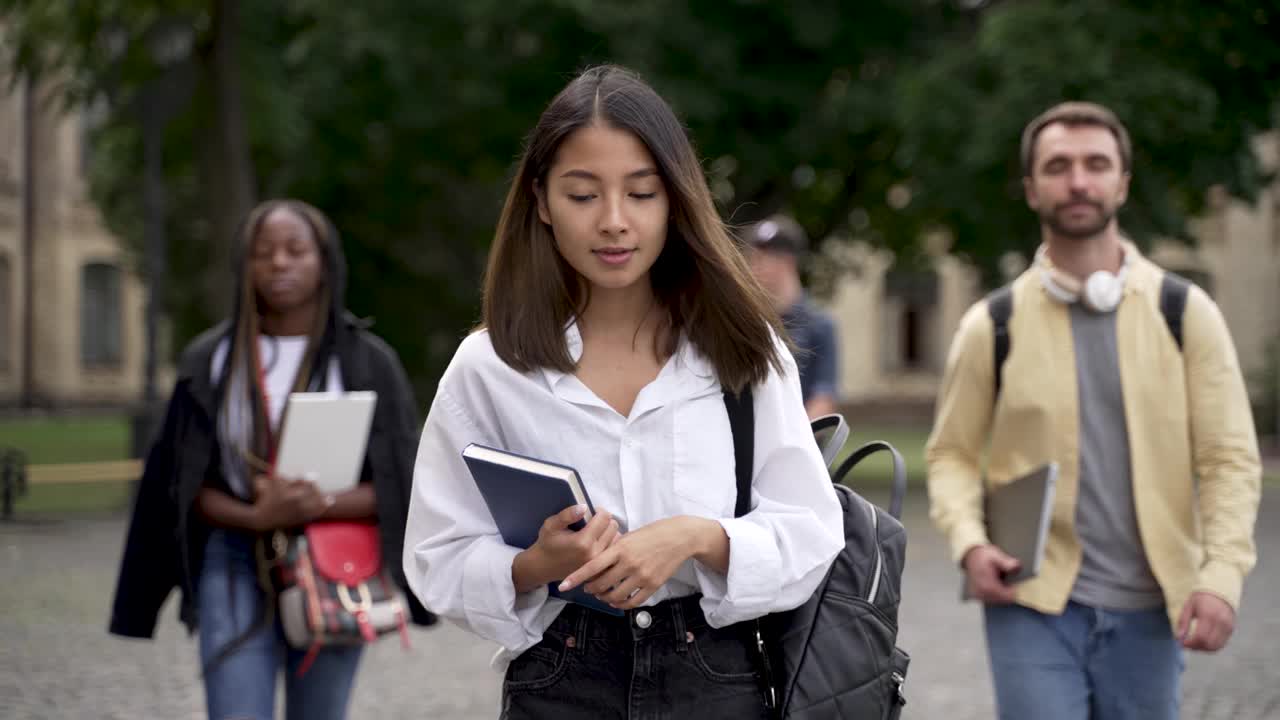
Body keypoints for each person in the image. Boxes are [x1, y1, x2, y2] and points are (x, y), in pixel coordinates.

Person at [402, 65, 843, 719]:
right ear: (542, 201)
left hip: (716, 677)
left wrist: (695, 537)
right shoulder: (489, 367)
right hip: (559, 676)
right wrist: (534, 565)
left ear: (676, 199)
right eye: (583, 195)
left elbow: (810, 534)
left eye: (641, 193)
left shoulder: (742, 349)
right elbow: (435, 557)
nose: (614, 221)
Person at [926, 101, 1261, 720]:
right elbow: (951, 455)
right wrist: (971, 544)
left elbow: (1228, 459)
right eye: (1058, 166)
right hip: (1032, 604)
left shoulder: (1186, 314)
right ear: (1031, 189)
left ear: (1121, 183)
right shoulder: (990, 325)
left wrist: (1221, 576)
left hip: (1153, 609)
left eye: (1095, 164)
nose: (1078, 181)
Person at [109, 199, 434, 720]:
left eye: (295, 250)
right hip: (233, 558)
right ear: (244, 265)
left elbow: (404, 481)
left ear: (324, 262)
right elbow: (184, 483)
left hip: (335, 561)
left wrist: (318, 503)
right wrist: (257, 517)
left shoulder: (368, 361)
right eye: (264, 253)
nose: (279, 263)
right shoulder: (210, 361)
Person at [746, 214, 840, 419]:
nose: (753, 268)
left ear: (786, 262)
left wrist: (794, 444)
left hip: (802, 441)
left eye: (761, 259)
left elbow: (824, 397)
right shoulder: (750, 321)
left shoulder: (819, 325)